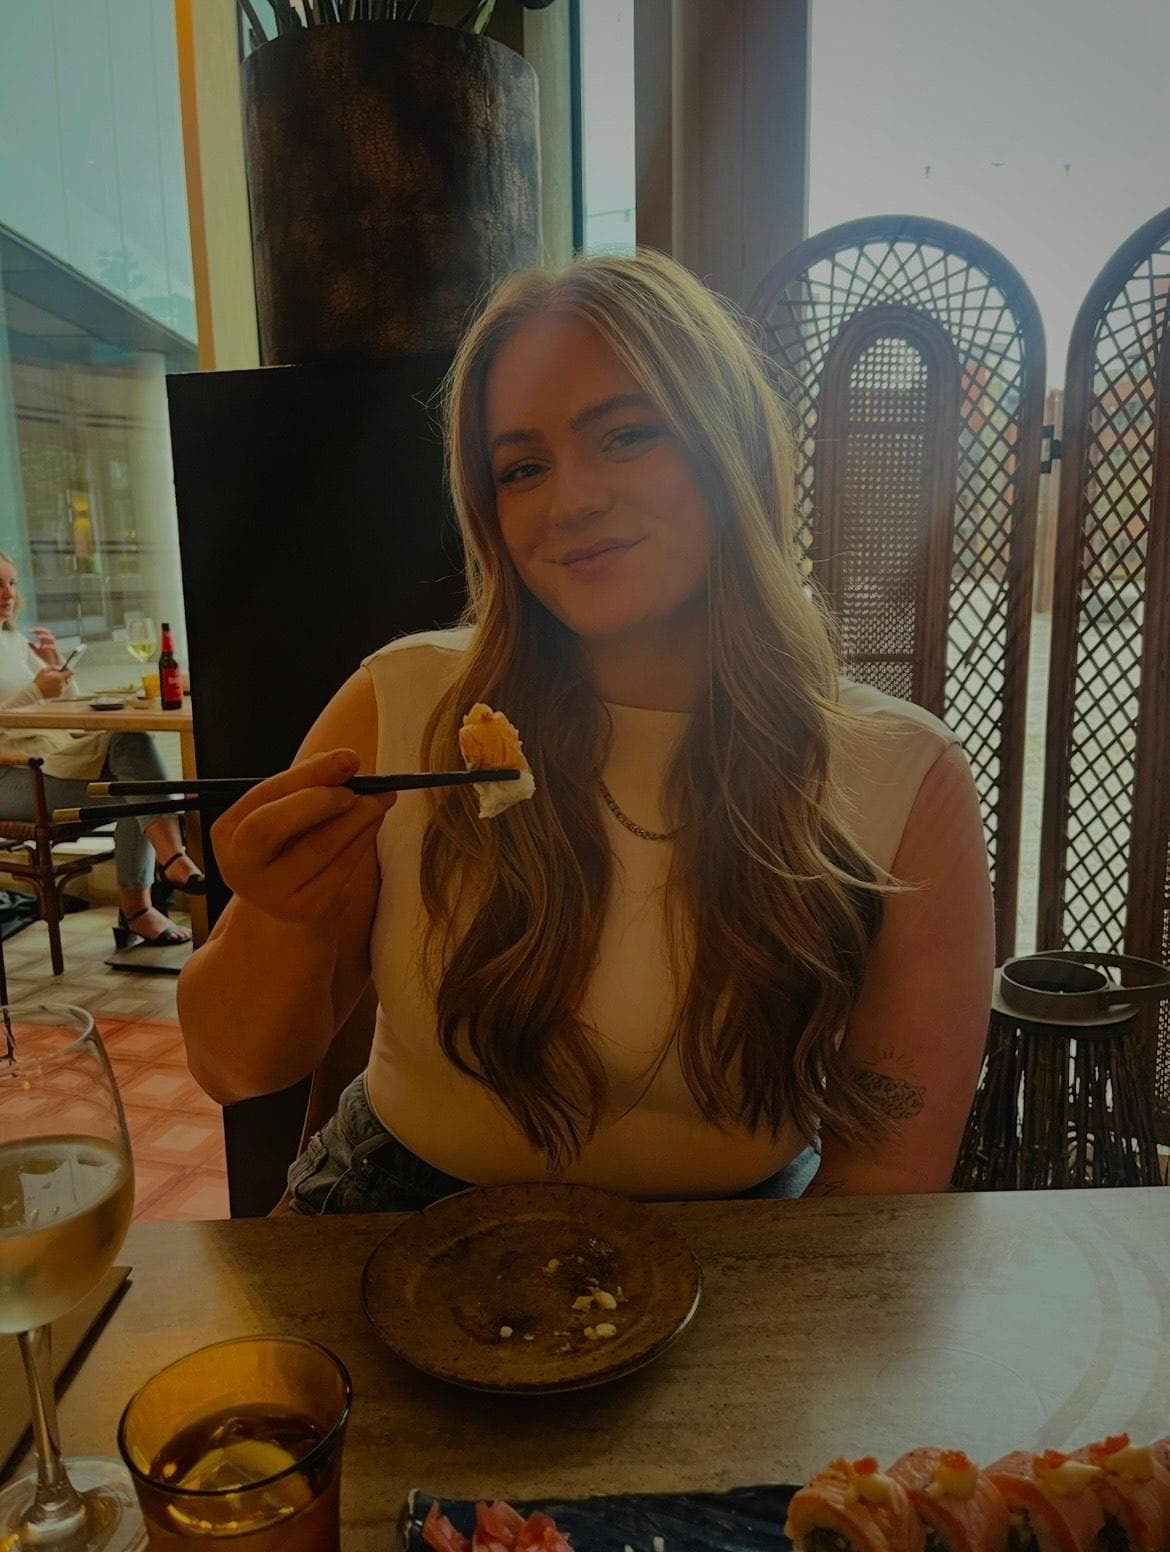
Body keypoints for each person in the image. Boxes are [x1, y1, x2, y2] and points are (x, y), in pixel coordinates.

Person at [178, 249, 994, 1211]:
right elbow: (231, 1067)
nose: (569, 502)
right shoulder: (404, 705)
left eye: (626, 435)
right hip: (391, 1217)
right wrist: (279, 915)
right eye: (522, 468)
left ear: (727, 442)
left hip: (745, 1250)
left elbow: (889, 1170)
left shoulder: (904, 775)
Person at [0, 553, 204, 948]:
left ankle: (148, 896)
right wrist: (35, 691)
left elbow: (67, 717)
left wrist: (58, 672)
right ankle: (157, 883)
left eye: (12, 583)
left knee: (131, 750)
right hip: (12, 775)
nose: (7, 594)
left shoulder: (12, 641)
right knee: (134, 785)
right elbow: (26, 706)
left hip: (51, 760)